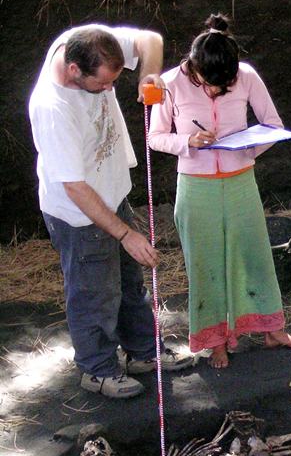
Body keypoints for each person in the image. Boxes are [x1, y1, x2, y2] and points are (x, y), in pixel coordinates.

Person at [28, 25, 194, 399]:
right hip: (78, 214)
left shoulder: (87, 41)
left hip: (111, 194)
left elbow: (149, 41)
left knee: (129, 284)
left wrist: (150, 74)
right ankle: (98, 370)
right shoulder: (53, 109)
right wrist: (125, 233)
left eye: (113, 83)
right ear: (74, 71)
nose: (108, 90)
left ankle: (142, 354)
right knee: (93, 294)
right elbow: (75, 188)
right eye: (101, 85)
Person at [148, 14, 291, 369]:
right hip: (195, 188)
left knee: (254, 256)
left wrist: (247, 149)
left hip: (240, 182)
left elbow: (274, 125)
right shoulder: (169, 83)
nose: (217, 90)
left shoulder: (247, 75)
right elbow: (155, 137)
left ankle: (272, 330)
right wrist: (187, 140)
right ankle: (216, 340)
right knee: (205, 263)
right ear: (194, 66)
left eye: (225, 84)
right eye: (210, 83)